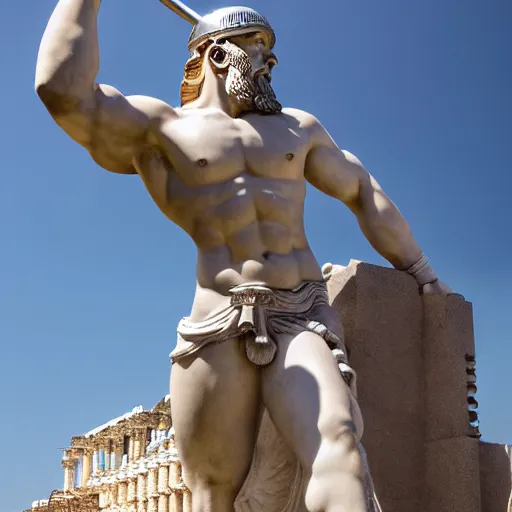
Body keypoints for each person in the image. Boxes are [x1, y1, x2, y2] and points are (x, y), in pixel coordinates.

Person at [35, 2, 451, 511]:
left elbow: (364, 193)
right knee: (212, 493)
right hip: (216, 318)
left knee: (339, 445)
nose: (268, 64)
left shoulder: (298, 129)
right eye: (257, 50)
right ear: (214, 53)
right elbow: (64, 93)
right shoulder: (161, 129)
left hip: (300, 312)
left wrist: (423, 273)